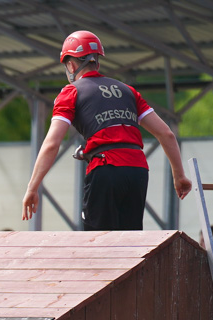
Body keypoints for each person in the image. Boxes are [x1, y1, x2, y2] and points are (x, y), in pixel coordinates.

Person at [21, 30, 191, 230]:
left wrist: (32, 188)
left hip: (105, 169)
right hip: (137, 171)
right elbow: (167, 134)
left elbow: (51, 144)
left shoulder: (71, 92)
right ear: (97, 62)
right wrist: (179, 176)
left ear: (71, 64)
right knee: (130, 243)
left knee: (98, 243)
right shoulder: (128, 91)